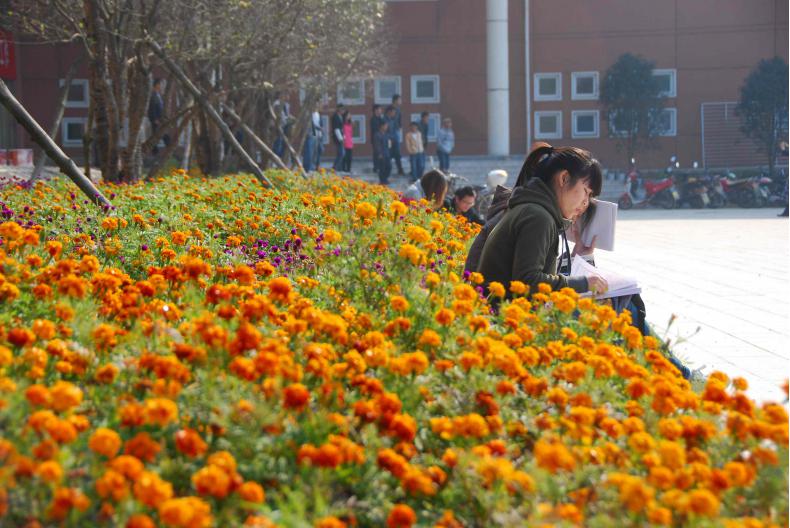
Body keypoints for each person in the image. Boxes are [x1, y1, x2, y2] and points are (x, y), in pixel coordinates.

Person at [477, 142, 606, 296]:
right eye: (586, 191)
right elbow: (528, 280)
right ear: (564, 178)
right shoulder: (538, 217)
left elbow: (534, 271)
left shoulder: (533, 209)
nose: (585, 203)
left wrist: (577, 258)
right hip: (505, 314)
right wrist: (584, 283)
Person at [147, 78, 170, 154]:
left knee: (159, 135)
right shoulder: (153, 95)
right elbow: (151, 108)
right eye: (161, 84)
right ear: (157, 85)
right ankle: (155, 152)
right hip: (156, 120)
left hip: (159, 120)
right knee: (158, 135)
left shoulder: (158, 94)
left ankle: (156, 151)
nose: (162, 86)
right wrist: (154, 119)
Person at [387, 98, 405, 176]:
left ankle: (400, 169)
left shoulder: (393, 120)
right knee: (389, 155)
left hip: (395, 139)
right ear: (389, 112)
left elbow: (397, 126)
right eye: (393, 112)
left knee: (397, 154)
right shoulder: (385, 120)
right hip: (389, 140)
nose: (394, 114)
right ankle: (387, 170)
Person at [302, 103, 323, 172]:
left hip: (315, 135)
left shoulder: (317, 114)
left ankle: (312, 167)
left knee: (314, 152)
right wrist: (316, 131)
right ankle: (307, 167)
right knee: (309, 152)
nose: (316, 107)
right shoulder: (308, 114)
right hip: (310, 134)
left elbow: (318, 124)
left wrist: (319, 135)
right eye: (315, 106)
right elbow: (311, 124)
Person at [374, 121, 391, 185]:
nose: (386, 127)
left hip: (387, 153)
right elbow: (377, 145)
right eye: (385, 126)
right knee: (382, 168)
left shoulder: (386, 134)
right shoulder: (377, 135)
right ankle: (382, 181)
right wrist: (379, 153)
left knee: (389, 167)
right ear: (381, 126)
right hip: (381, 154)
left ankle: (385, 178)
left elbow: (389, 144)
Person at [331, 103, 346, 171]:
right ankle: (335, 167)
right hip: (338, 138)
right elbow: (336, 129)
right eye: (342, 109)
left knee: (341, 153)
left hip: (341, 137)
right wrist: (341, 138)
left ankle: (338, 167)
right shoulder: (335, 117)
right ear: (339, 109)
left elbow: (341, 128)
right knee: (341, 153)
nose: (343, 111)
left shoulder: (340, 116)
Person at [370, 105, 384, 173]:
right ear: (375, 110)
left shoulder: (380, 118)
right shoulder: (373, 119)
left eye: (380, 109)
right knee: (376, 153)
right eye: (379, 109)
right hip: (375, 138)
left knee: (380, 152)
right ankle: (376, 167)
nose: (380, 111)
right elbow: (376, 128)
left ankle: (379, 166)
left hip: (380, 138)